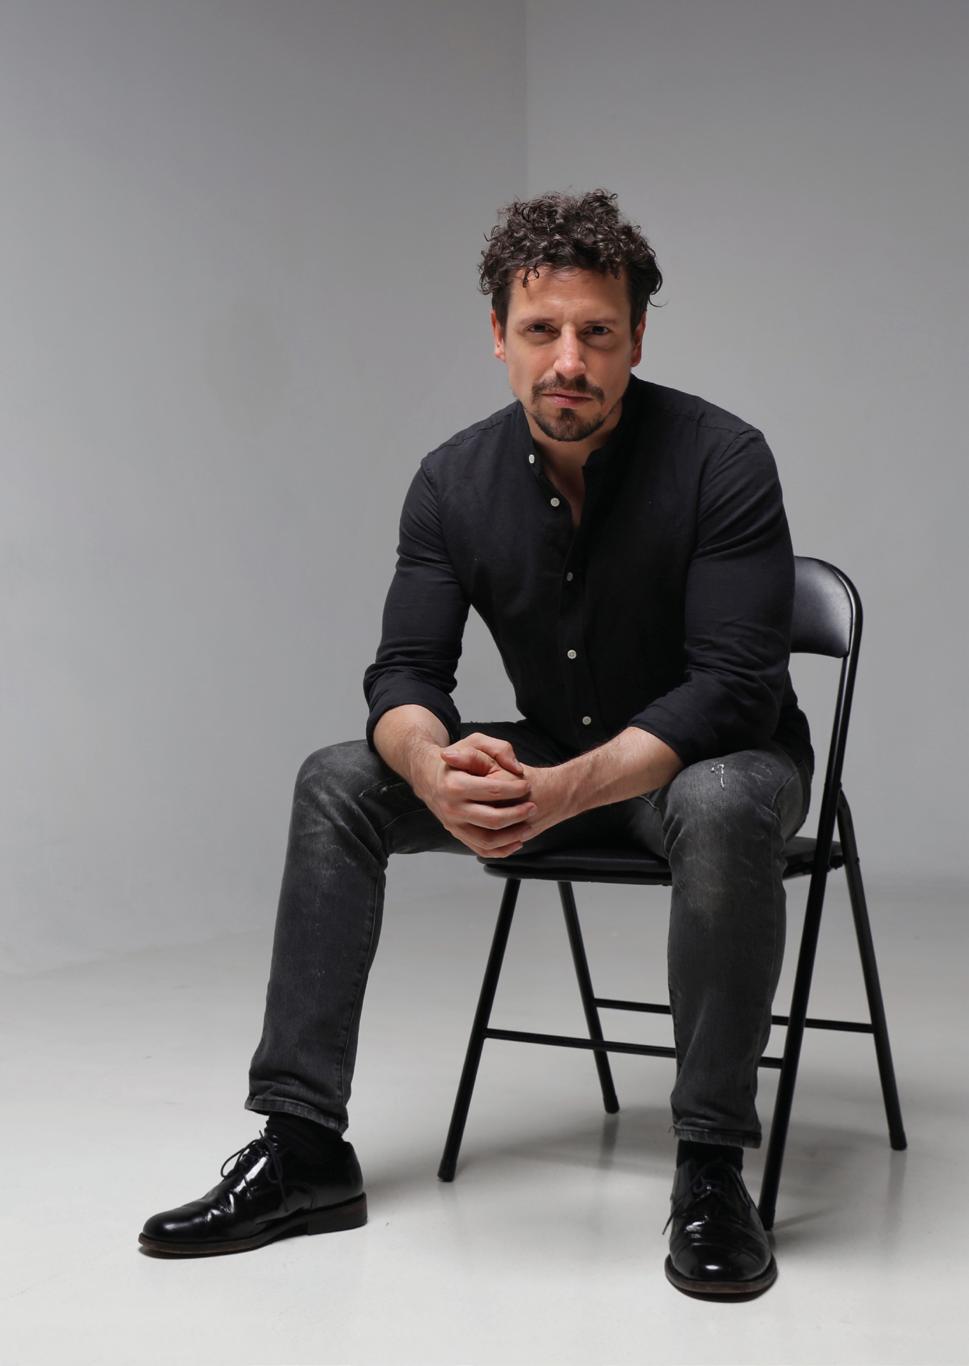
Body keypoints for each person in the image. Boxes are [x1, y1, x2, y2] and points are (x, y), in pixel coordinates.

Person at [140, 189, 813, 1298]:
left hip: (710, 765)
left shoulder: (722, 458)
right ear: (499, 335)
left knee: (727, 798)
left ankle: (709, 1168)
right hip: (554, 752)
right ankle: (304, 1148)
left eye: (597, 332)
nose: (569, 361)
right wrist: (432, 766)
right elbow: (405, 675)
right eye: (541, 329)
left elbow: (734, 689)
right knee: (337, 780)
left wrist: (566, 789)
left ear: (637, 339)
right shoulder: (452, 481)